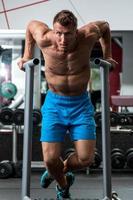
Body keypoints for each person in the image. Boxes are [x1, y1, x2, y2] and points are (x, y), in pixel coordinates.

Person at [18, 10, 117, 199]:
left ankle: (58, 171)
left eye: (68, 34)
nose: (63, 39)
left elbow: (104, 26)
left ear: (76, 31)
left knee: (86, 159)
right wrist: (26, 55)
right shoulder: (44, 37)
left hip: (81, 105)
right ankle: (63, 185)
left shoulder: (88, 35)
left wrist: (108, 55)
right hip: (55, 103)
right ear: (53, 30)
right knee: (49, 159)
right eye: (59, 33)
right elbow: (31, 25)